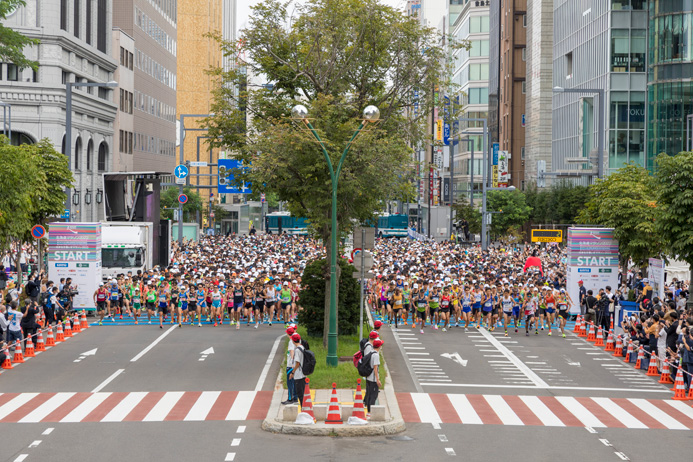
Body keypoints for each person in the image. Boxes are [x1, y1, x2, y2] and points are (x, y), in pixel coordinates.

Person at [363, 339, 383, 418]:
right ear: (379, 346)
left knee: (368, 394)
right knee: (373, 396)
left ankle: (368, 411)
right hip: (373, 379)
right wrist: (378, 380)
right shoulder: (376, 355)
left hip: (368, 378)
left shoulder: (371, 353)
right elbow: (375, 368)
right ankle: (370, 412)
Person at [289, 333, 306, 407]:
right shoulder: (302, 347)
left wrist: (292, 372)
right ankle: (305, 408)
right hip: (303, 373)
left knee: (300, 394)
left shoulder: (297, 350)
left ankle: (304, 409)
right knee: (303, 393)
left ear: (293, 341)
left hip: (299, 375)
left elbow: (297, 363)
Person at [283, 327, 298, 405]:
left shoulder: (291, 342)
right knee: (294, 382)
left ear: (288, 334)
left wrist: (292, 363)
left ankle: (290, 398)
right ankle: (295, 397)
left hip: (291, 365)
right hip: (295, 364)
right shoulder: (296, 339)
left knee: (290, 383)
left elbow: (291, 352)